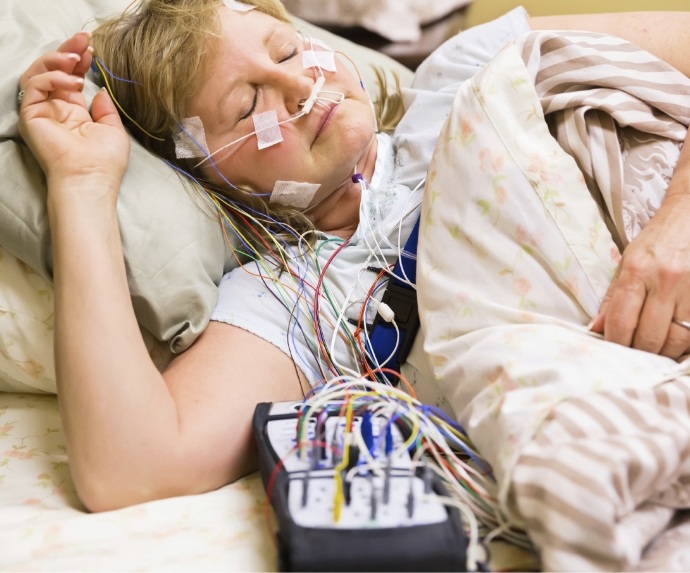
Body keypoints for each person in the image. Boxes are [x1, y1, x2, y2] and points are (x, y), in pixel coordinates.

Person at [16, 0, 690, 529]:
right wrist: (81, 185)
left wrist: (677, 224)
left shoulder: (465, 76)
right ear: (213, 177)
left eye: (286, 50)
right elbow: (134, 467)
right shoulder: (299, 297)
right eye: (248, 104)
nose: (298, 82)